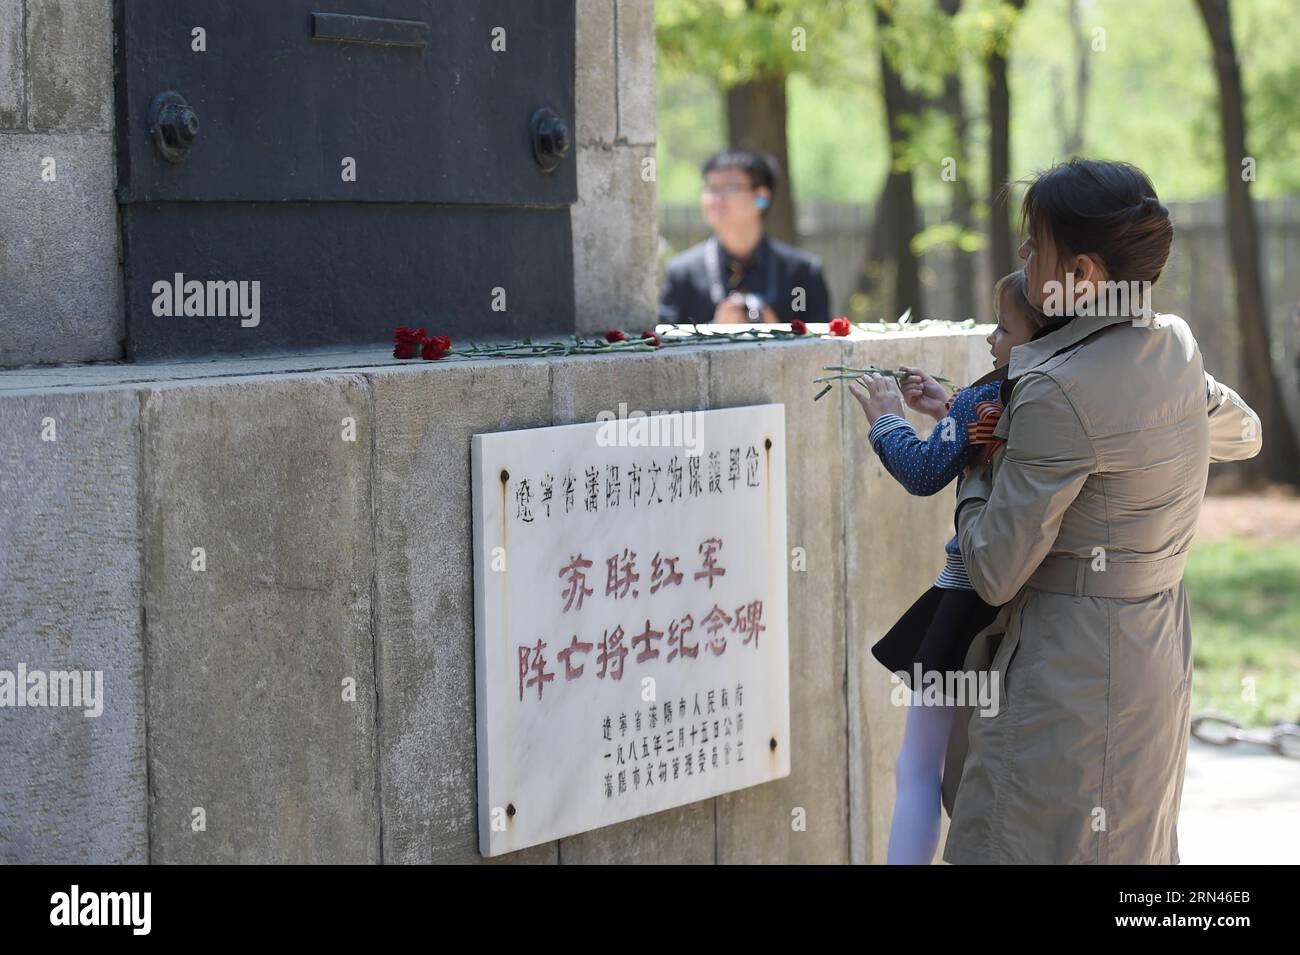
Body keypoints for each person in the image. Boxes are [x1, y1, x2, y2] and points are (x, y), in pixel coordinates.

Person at [877, 157, 1261, 865]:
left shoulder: (1058, 387)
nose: (1022, 255)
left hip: (1068, 669)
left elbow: (992, 566)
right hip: (1153, 648)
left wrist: (974, 464)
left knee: (1031, 840)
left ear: (1083, 273)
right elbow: (1245, 431)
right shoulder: (1173, 341)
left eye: (1035, 242)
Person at [848, 271, 1050, 864]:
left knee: (919, 766)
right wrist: (946, 408)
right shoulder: (1046, 390)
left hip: (962, 604)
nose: (991, 338)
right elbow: (985, 442)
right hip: (1023, 606)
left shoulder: (987, 397)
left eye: (1005, 328)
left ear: (1039, 334)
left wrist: (887, 418)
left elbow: (922, 471)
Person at [658, 148, 831, 326]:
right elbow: (665, 344)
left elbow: (824, 347)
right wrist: (714, 329)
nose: (715, 199)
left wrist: (781, 334)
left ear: (761, 197)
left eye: (730, 188)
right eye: (710, 188)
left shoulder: (802, 273)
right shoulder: (682, 274)